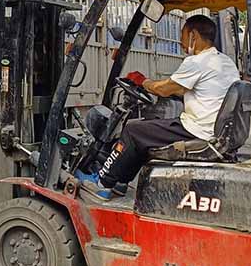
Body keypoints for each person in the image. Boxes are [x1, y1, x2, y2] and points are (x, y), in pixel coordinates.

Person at [80, 14, 240, 199]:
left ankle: (103, 183)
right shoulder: (225, 62)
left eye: (182, 35)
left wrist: (142, 81)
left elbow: (163, 89)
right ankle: (121, 183)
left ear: (193, 35)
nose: (180, 42)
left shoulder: (198, 62)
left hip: (198, 130)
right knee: (147, 133)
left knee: (133, 130)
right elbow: (184, 90)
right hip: (214, 130)